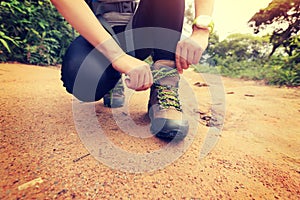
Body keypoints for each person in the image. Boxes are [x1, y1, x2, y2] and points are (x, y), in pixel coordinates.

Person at [50, 0, 214, 140]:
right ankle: (112, 80)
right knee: (82, 80)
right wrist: (117, 57)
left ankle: (165, 84)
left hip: (141, 29)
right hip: (97, 32)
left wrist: (201, 29)